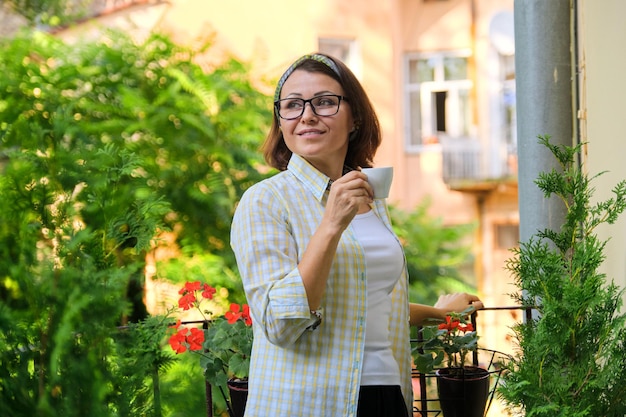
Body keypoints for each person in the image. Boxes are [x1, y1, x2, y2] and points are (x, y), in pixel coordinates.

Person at [230, 53, 483, 417]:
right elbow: (279, 322)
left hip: (388, 395)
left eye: (325, 102)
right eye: (292, 105)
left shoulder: (370, 199)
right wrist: (331, 224)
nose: (307, 114)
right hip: (308, 404)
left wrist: (438, 313)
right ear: (280, 121)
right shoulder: (265, 201)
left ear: (355, 118)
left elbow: (359, 300)